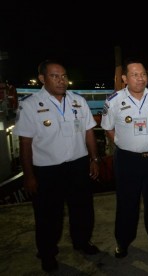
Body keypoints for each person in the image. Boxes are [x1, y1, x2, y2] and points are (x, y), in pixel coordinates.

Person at [13, 60, 100, 272]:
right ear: (42, 79)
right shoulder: (31, 105)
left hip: (78, 166)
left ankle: (81, 242)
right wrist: (29, 176)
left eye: (64, 76)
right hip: (47, 171)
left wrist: (94, 159)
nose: (62, 80)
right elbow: (25, 143)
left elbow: (89, 132)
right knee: (48, 215)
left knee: (83, 210)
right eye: (55, 76)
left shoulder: (78, 101)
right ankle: (47, 253)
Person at [100, 58, 148, 259]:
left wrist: (147, 142)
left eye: (143, 74)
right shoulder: (113, 101)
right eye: (135, 75)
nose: (141, 79)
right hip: (127, 160)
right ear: (124, 78)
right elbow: (108, 128)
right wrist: (125, 144)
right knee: (126, 202)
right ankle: (123, 241)